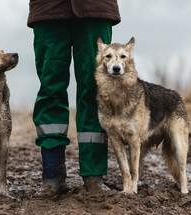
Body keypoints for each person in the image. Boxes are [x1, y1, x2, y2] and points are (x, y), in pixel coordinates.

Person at [27, 0, 121, 198]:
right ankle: (52, 174)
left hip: (96, 7)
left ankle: (94, 176)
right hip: (47, 9)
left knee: (95, 90)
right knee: (50, 88)